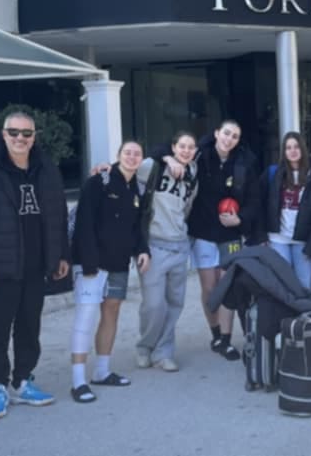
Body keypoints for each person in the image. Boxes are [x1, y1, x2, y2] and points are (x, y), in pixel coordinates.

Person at [0, 111, 70, 420]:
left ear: (34, 137)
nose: (20, 138)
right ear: (3, 134)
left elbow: (59, 217)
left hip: (36, 266)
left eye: (27, 133)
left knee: (30, 327)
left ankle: (22, 381)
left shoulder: (46, 172)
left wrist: (61, 255)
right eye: (14, 132)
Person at [160, 120, 260, 361]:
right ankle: (215, 333)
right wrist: (169, 159)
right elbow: (161, 149)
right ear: (217, 133)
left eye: (234, 136)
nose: (229, 139)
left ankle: (226, 339)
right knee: (209, 287)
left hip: (230, 234)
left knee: (227, 285)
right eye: (226, 133)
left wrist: (240, 219)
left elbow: (254, 200)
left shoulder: (245, 162)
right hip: (203, 232)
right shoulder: (199, 154)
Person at [69, 140, 151, 403]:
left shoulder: (137, 188)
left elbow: (137, 227)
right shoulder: (98, 182)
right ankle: (78, 381)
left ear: (142, 159)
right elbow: (84, 223)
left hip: (119, 263)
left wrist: (142, 250)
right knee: (86, 316)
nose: (132, 157)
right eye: (127, 152)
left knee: (111, 312)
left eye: (137, 154)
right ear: (118, 155)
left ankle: (102, 371)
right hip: (92, 264)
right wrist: (89, 264)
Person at [135, 131, 199, 372]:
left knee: (174, 303)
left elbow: (188, 207)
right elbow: (127, 168)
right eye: (182, 146)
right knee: (153, 304)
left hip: (179, 245)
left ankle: (164, 351)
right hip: (153, 244)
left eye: (191, 147)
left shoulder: (193, 173)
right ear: (173, 147)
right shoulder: (152, 166)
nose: (186, 151)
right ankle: (145, 346)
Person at [260, 131, 311, 291]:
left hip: (304, 241)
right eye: (288, 147)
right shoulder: (273, 173)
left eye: (296, 146)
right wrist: (261, 235)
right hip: (278, 239)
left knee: (304, 288)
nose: (292, 151)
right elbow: (260, 204)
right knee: (282, 287)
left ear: (303, 148)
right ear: (283, 151)